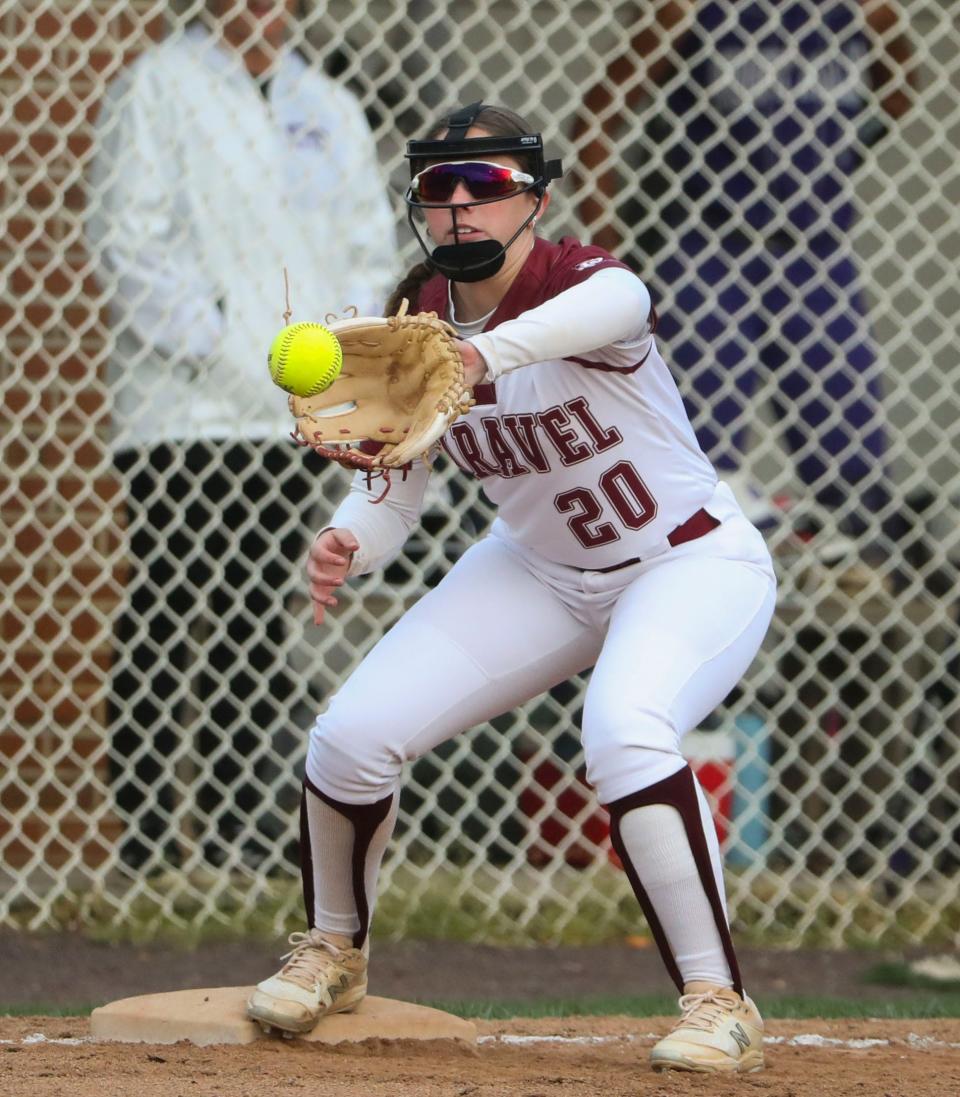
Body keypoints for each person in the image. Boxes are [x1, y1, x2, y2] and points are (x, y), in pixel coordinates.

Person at [246, 101, 778, 1074]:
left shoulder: (576, 279)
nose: (459, 207)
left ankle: (719, 999)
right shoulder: (416, 314)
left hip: (687, 561)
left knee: (624, 729)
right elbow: (393, 495)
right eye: (438, 189)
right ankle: (334, 949)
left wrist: (484, 351)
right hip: (538, 567)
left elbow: (624, 303)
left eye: (485, 186)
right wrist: (344, 537)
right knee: (352, 735)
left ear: (531, 200)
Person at [85, 0, 397, 869]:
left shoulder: (327, 106)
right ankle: (146, 838)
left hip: (294, 412)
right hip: (184, 409)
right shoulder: (160, 86)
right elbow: (127, 241)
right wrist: (224, 347)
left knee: (256, 613)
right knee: (170, 601)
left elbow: (366, 247)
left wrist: (334, 350)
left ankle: (229, 827)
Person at [575, 0, 917, 562]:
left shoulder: (858, 13)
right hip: (711, 242)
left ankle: (845, 565)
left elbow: (900, 92)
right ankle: (691, 565)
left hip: (816, 247)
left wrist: (825, 156)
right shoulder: (694, 11)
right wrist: (608, 242)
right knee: (699, 439)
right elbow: (598, 115)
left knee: (850, 439)